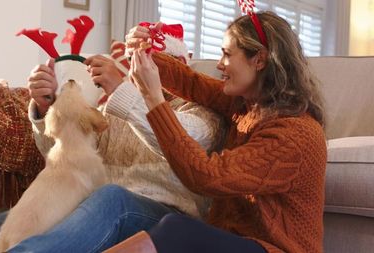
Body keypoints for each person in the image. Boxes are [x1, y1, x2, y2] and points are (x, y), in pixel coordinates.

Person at [0, 45, 223, 252]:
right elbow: (64, 154)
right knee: (18, 218)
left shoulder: (201, 112)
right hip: (96, 202)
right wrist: (46, 106)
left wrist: (132, 93)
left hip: (157, 209)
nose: (130, 61)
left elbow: (183, 141)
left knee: (111, 198)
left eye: (143, 54)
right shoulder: (118, 107)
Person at [107, 10, 327, 253]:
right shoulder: (247, 104)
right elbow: (190, 82)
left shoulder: (295, 135)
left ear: (259, 60)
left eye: (227, 54)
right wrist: (143, 51)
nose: (220, 64)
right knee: (119, 203)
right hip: (234, 240)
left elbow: (206, 176)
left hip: (274, 249)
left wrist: (152, 98)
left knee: (176, 230)